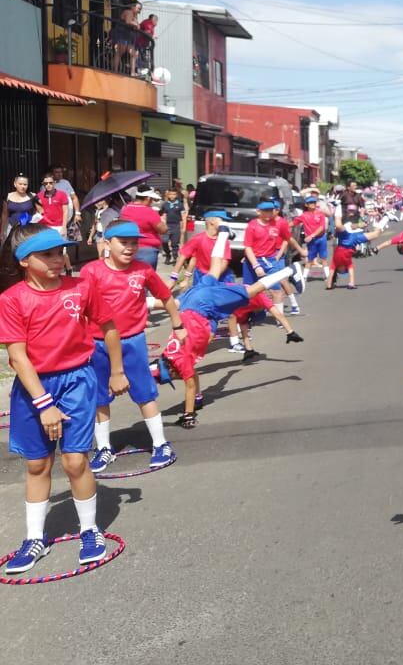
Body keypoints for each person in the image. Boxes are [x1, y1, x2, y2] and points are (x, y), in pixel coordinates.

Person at [0, 224, 126, 573]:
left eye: (61, 252)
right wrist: (44, 405)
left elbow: (108, 326)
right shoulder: (11, 299)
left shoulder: (83, 287)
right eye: (48, 254)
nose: (59, 259)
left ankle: (90, 530)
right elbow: (18, 357)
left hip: (76, 381)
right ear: (25, 261)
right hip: (34, 387)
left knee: (74, 461)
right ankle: (34, 539)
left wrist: (116, 370)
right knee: (37, 465)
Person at [81, 222, 180, 473]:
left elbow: (165, 296)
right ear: (107, 243)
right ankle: (104, 447)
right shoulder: (91, 271)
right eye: (123, 242)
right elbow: (80, 308)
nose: (130, 247)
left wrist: (178, 325)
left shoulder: (143, 270)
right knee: (99, 397)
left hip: (133, 342)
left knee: (145, 394)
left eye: (134, 242)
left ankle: (160, 444)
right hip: (97, 344)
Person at [156, 260, 298, 429]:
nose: (176, 378)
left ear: (171, 369)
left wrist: (188, 415)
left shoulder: (181, 362)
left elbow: (190, 385)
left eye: (173, 377)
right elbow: (191, 376)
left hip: (204, 307)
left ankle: (289, 270)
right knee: (214, 272)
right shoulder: (168, 353)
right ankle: (223, 236)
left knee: (253, 291)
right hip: (196, 309)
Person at [117, 188, 167, 269]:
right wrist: (163, 220)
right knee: (147, 278)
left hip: (129, 247)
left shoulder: (125, 209)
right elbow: (163, 230)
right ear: (147, 198)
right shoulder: (149, 211)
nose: (152, 202)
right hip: (147, 249)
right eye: (151, 200)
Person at [328, 220, 385, 290]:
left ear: (338, 270)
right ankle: (381, 220)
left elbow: (331, 274)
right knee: (376, 234)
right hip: (354, 240)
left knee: (338, 226)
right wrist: (351, 284)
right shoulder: (347, 263)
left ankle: (341, 213)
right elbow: (351, 272)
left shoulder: (334, 263)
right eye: (345, 271)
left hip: (344, 238)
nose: (344, 270)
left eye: (342, 271)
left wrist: (329, 285)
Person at [293, 195, 330, 280]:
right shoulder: (303, 215)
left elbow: (322, 227)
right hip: (311, 241)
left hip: (321, 238)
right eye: (310, 203)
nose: (313, 204)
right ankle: (304, 277)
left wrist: (311, 235)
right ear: (306, 205)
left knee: (323, 258)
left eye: (314, 202)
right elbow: (293, 223)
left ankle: (328, 276)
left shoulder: (320, 214)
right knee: (310, 259)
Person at [160, 188, 186, 265]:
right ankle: (168, 254)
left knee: (174, 244)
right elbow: (164, 215)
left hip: (176, 225)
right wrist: (163, 224)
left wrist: (183, 228)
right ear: (168, 195)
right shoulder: (165, 204)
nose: (172, 196)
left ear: (176, 195)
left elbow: (183, 217)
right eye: (170, 194)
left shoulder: (180, 204)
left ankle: (175, 258)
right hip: (167, 225)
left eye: (174, 194)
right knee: (164, 241)